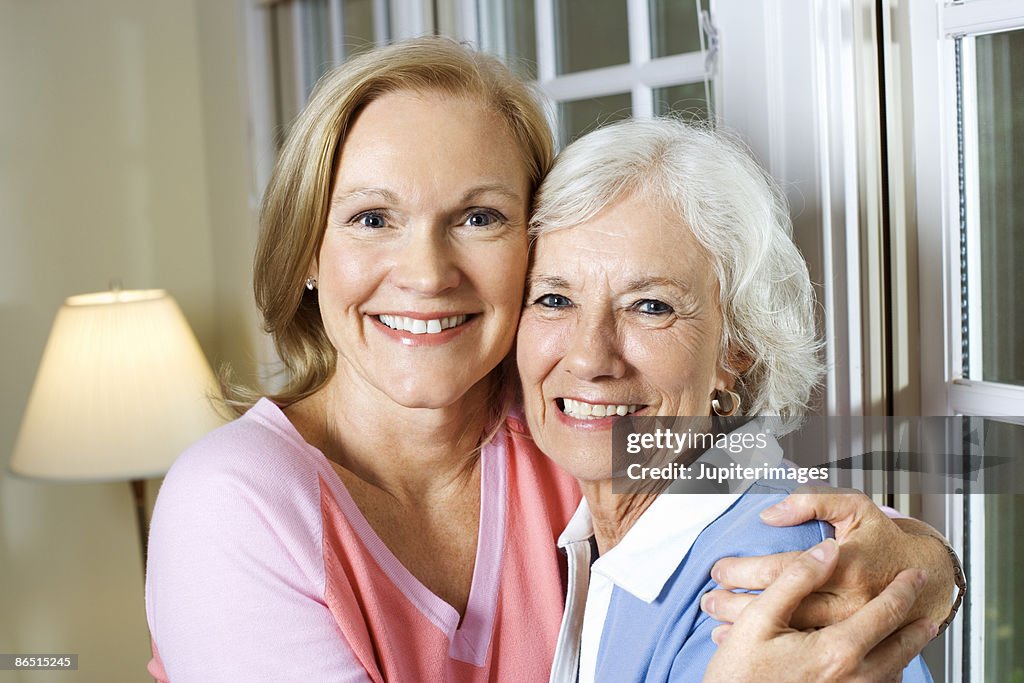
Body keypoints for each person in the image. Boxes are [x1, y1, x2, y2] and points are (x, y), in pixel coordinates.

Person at [144, 37, 958, 681]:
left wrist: (925, 568)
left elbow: (769, 495)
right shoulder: (233, 501)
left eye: (478, 217)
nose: (427, 273)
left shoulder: (570, 427)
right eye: (370, 218)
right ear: (308, 250)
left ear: (528, 247)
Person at [517, 117, 941, 681]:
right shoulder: (589, 527)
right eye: (553, 299)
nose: (590, 358)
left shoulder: (771, 572)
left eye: (650, 306)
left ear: (736, 348)